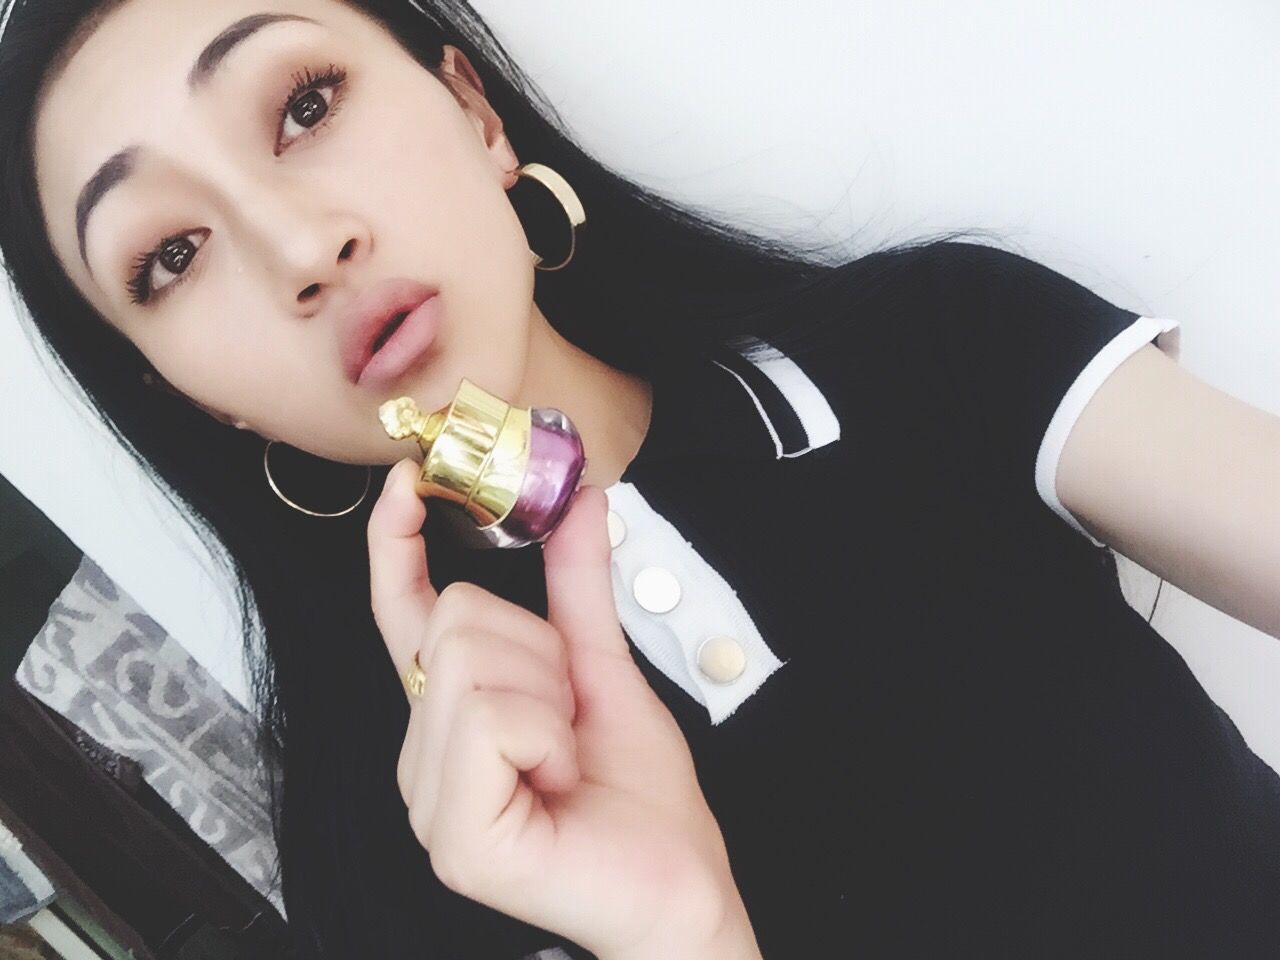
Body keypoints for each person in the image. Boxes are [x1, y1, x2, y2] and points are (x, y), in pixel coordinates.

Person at [2, 0, 1278, 957]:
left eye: (305, 104)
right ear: (193, 394)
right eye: (169, 255)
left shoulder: (929, 345)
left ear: (474, 113)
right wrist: (684, 934)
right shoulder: (397, 846)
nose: (297, 250)